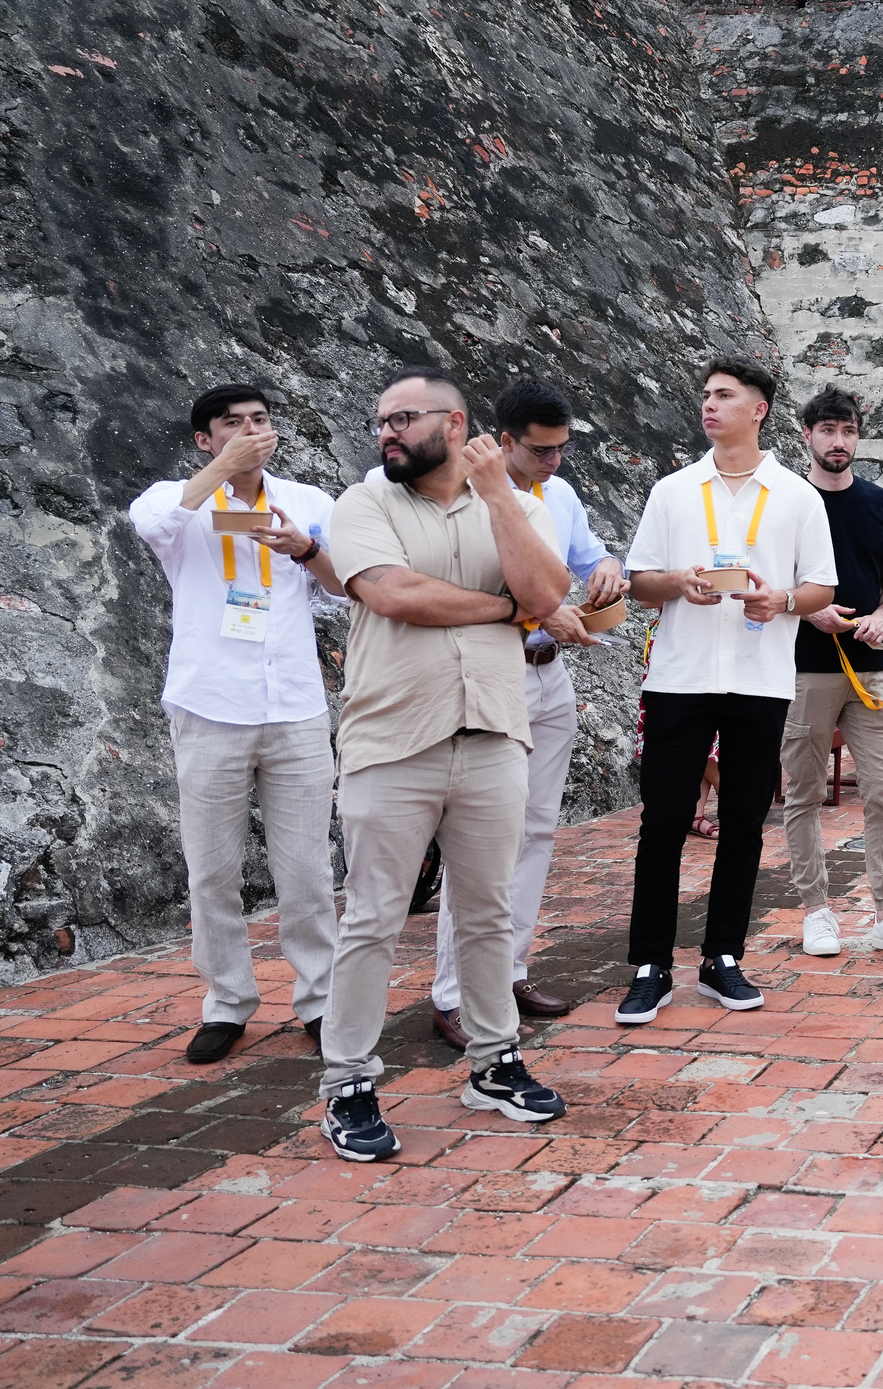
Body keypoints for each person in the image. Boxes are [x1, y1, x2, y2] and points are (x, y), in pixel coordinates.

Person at [316, 366, 573, 1160]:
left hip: (493, 732)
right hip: (393, 738)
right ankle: (348, 1083)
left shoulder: (517, 504)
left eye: (402, 418)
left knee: (489, 911)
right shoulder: (363, 503)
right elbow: (395, 594)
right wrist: (506, 609)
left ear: (455, 424)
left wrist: (499, 499)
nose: (386, 432)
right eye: (380, 421)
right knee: (372, 917)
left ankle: (495, 1061)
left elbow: (549, 590)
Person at [129, 383, 346, 1065]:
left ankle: (321, 999)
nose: (252, 431)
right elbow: (153, 524)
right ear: (205, 439)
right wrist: (227, 468)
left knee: (308, 869)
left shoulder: (308, 501)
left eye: (261, 420)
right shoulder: (177, 499)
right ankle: (226, 1001)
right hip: (210, 706)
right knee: (213, 870)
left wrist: (306, 549)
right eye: (233, 424)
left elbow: (347, 584)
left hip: (296, 707)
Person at [616, 360, 838, 1025]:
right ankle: (650, 965)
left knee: (744, 822)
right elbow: (638, 581)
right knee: (663, 822)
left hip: (758, 679)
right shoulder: (674, 491)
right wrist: (677, 583)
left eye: (723, 395)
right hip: (679, 677)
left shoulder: (796, 496)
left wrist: (783, 600)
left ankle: (723, 957)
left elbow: (821, 587)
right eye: (706, 394)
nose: (708, 405)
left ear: (758, 409)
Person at [427, 381, 626, 1049]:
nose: (554, 461)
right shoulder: (459, 495)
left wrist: (607, 569)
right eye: (542, 450)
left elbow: (591, 555)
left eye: (562, 448)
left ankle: (508, 970)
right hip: (490, 670)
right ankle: (454, 992)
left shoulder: (559, 493)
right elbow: (457, 590)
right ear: (504, 440)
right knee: (478, 836)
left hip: (550, 674)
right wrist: (543, 610)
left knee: (537, 829)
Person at [775, 386, 883, 963]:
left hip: (872, 667)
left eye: (848, 431)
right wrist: (808, 610)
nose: (839, 441)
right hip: (803, 668)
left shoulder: (881, 503)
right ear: (807, 435)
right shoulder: (786, 501)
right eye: (828, 430)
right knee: (804, 794)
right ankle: (816, 910)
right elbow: (768, 583)